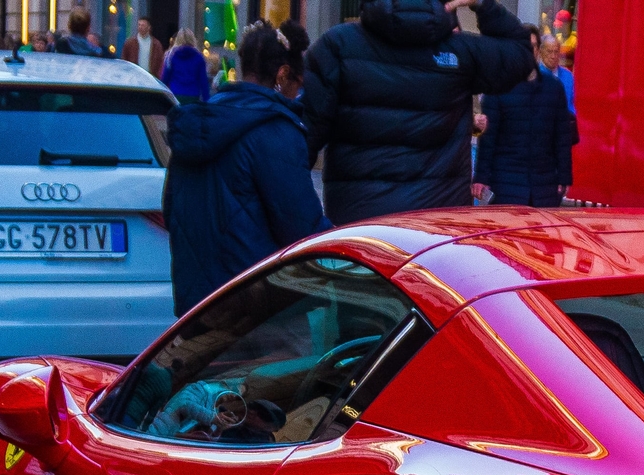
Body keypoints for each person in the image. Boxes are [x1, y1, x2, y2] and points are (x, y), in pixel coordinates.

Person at [301, 0, 535, 221]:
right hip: (436, 227)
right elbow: (522, 54)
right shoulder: (460, 51)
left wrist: (306, 223)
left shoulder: (337, 45)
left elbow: (302, 143)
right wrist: (483, 5)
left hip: (359, 228)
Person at [164, 21, 326, 314]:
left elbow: (172, 208)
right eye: (295, 81)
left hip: (197, 306)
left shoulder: (199, 124)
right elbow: (303, 229)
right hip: (258, 309)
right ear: (282, 74)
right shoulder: (276, 131)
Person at [473, 35, 573, 208]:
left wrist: (564, 176)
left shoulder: (554, 87)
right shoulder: (498, 86)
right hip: (506, 179)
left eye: (533, 46)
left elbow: (562, 136)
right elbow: (488, 137)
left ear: (538, 51)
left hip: (544, 181)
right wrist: (482, 177)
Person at [161, 28, 210, 100]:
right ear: (192, 39)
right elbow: (203, 81)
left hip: (175, 94)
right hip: (193, 95)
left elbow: (165, 78)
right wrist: (207, 101)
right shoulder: (199, 57)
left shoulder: (171, 56)